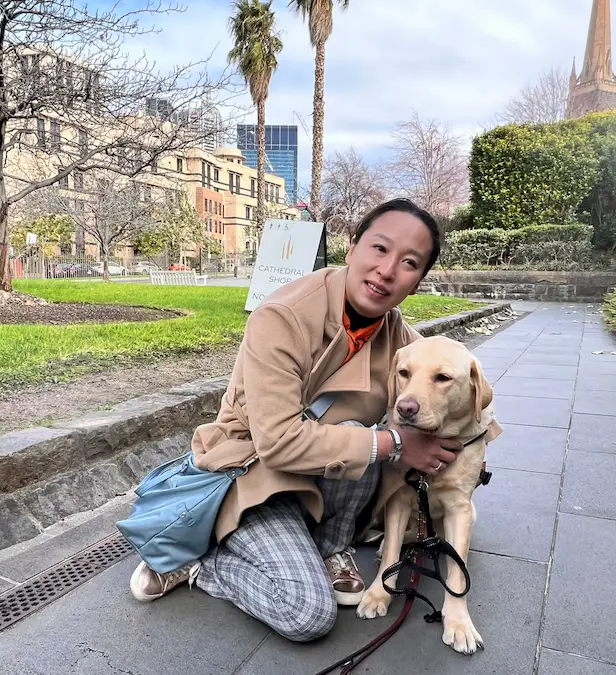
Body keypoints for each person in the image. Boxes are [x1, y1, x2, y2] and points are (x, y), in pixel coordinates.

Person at [129, 198, 497, 642]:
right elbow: (279, 443)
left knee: (360, 435)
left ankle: (329, 546)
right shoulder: (282, 316)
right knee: (307, 615)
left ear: (418, 281)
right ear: (353, 243)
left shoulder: (394, 331)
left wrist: (471, 441)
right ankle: (202, 559)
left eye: (409, 262)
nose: (387, 270)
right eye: (380, 249)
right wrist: (396, 444)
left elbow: (449, 374)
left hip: (322, 477)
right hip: (256, 477)